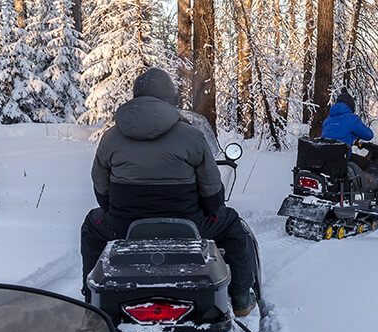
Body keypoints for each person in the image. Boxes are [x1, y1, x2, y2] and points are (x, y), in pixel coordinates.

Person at [81, 67, 257, 316]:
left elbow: (100, 186)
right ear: (170, 99)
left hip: (124, 226)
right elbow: (211, 189)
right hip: (188, 225)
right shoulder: (192, 136)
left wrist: (116, 213)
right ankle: (241, 300)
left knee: (91, 225)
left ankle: (91, 302)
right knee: (232, 225)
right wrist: (212, 210)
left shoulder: (111, 138)